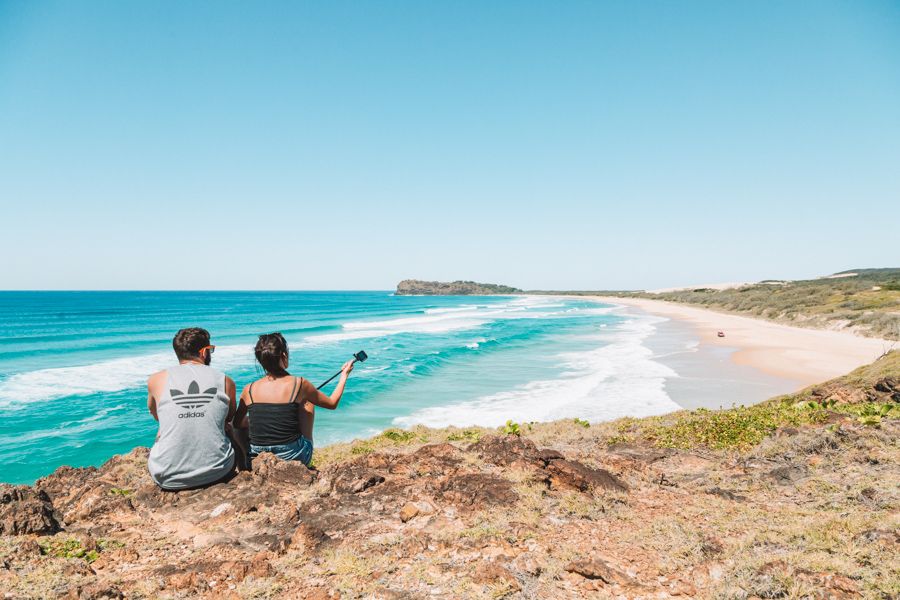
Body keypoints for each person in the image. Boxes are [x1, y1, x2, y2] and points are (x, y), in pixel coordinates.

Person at [232, 332, 353, 466]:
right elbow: (332, 403)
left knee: (238, 425)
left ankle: (243, 463)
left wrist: (264, 419)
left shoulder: (248, 389)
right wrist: (344, 375)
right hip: (292, 457)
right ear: (284, 355)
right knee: (308, 403)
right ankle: (305, 455)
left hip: (258, 458)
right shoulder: (299, 383)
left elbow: (237, 424)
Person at [147, 327, 237, 490]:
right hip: (218, 471)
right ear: (204, 352)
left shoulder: (156, 380)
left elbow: (156, 414)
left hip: (166, 476)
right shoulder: (225, 381)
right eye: (211, 350)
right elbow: (229, 417)